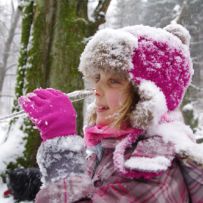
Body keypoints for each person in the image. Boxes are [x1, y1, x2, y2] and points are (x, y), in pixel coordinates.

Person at [19, 24, 203, 203]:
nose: (96, 90)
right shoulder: (111, 149)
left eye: (114, 81)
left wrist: (62, 149)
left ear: (146, 96)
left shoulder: (153, 168)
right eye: (97, 78)